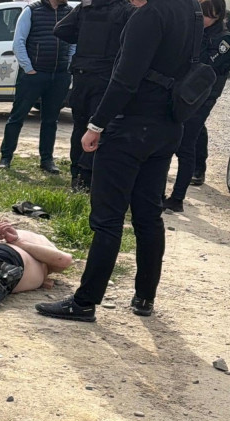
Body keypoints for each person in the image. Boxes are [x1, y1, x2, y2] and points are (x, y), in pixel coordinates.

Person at [34, 0, 198, 322]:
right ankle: (145, 297)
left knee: (107, 219)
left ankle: (84, 302)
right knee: (148, 216)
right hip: (168, 125)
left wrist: (96, 124)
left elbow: (125, 78)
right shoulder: (189, 9)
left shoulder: (148, 15)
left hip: (130, 128)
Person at [54, 0, 135, 190]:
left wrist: (82, 36)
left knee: (79, 127)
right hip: (106, 78)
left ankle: (76, 175)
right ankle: (87, 177)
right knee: (98, 128)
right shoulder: (126, 9)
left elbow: (60, 29)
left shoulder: (86, 6)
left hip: (82, 75)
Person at [163, 0, 230, 213]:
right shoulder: (195, 29)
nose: (203, 19)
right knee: (166, 142)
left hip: (202, 98)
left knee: (186, 145)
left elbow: (204, 65)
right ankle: (158, 193)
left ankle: (177, 198)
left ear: (218, 15)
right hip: (180, 93)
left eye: (208, 15)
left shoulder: (224, 38)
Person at [0, 0, 74, 174]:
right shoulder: (31, 10)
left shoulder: (70, 12)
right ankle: (6, 157)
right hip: (33, 74)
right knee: (17, 116)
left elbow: (73, 43)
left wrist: (68, 65)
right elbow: (19, 42)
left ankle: (47, 160)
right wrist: (29, 68)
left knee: (50, 120)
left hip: (59, 75)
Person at [191, 8, 230, 186]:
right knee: (189, 122)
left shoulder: (223, 18)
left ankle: (198, 168)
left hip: (209, 85)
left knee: (195, 124)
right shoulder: (193, 11)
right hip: (188, 82)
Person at [0, 221, 73, 311]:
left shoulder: (36, 243)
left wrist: (17, 241)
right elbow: (63, 260)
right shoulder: (35, 241)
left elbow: (63, 260)